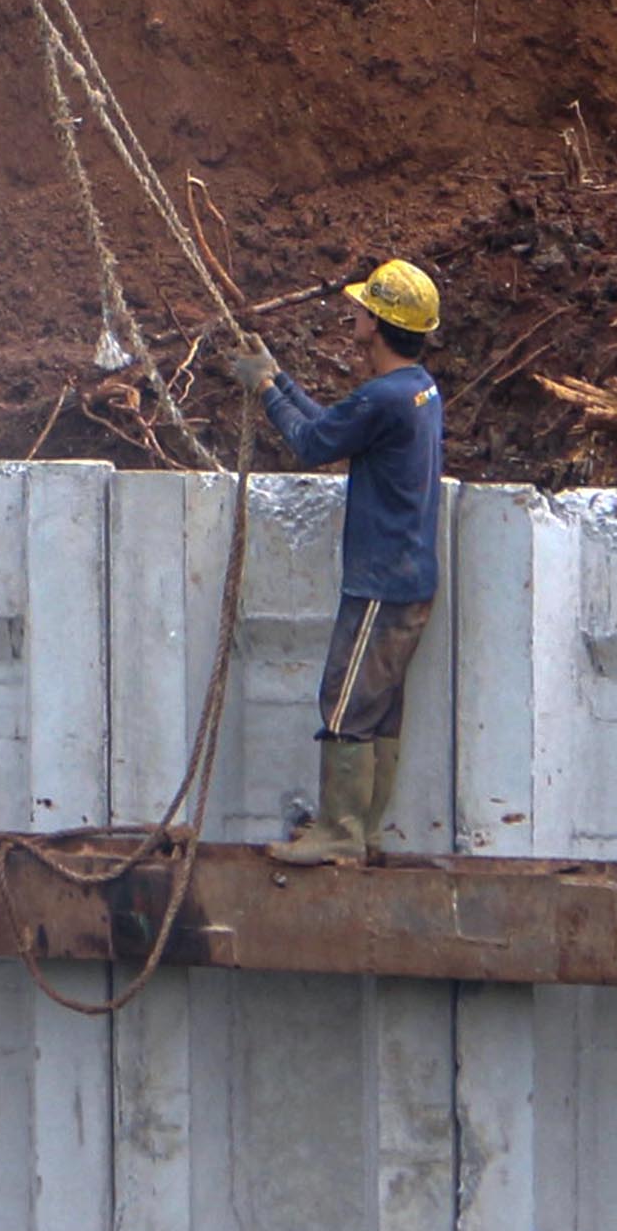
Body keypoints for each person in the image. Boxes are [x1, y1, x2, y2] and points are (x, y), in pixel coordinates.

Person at [227, 256, 446, 859]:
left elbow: (310, 442)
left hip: (382, 582)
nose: (352, 313)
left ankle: (340, 834)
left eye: (361, 308)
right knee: (376, 707)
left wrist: (266, 388)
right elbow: (335, 426)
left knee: (344, 703)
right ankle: (365, 832)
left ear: (376, 322)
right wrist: (279, 378)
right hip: (410, 576)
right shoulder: (416, 390)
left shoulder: (385, 399)